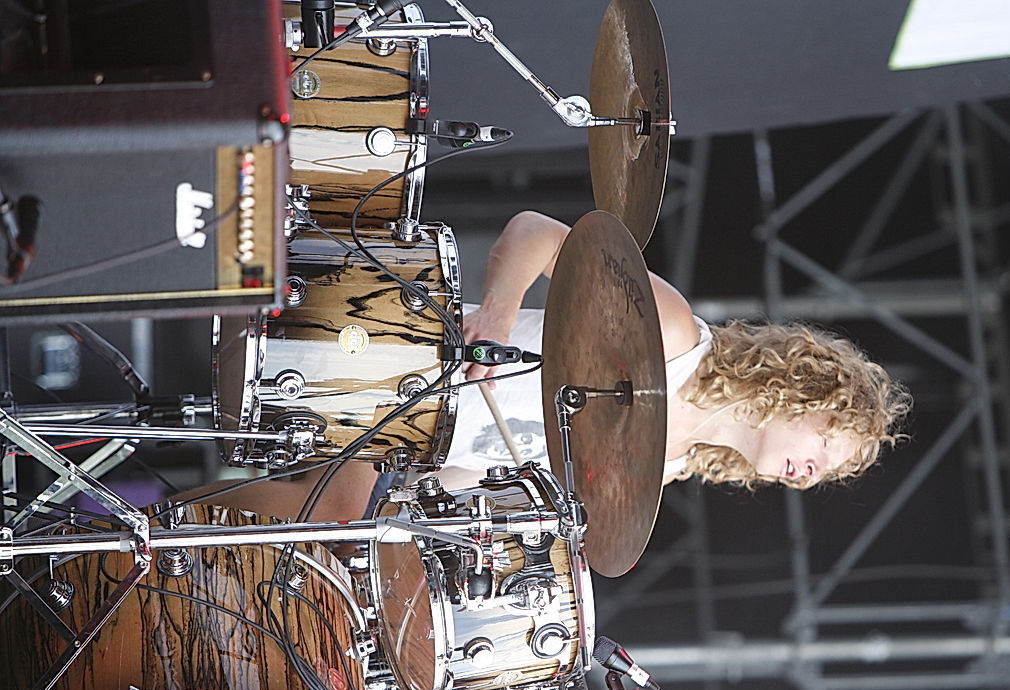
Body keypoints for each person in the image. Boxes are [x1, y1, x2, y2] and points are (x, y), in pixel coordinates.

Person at [189, 210, 909, 521]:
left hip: (422, 459)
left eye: (828, 475)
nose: (813, 475)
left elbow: (516, 474)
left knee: (352, 536)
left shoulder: (672, 465)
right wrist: (499, 314)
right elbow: (537, 235)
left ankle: (153, 535)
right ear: (801, 394)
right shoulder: (675, 333)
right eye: (826, 448)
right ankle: (170, 519)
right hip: (413, 374)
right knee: (344, 512)